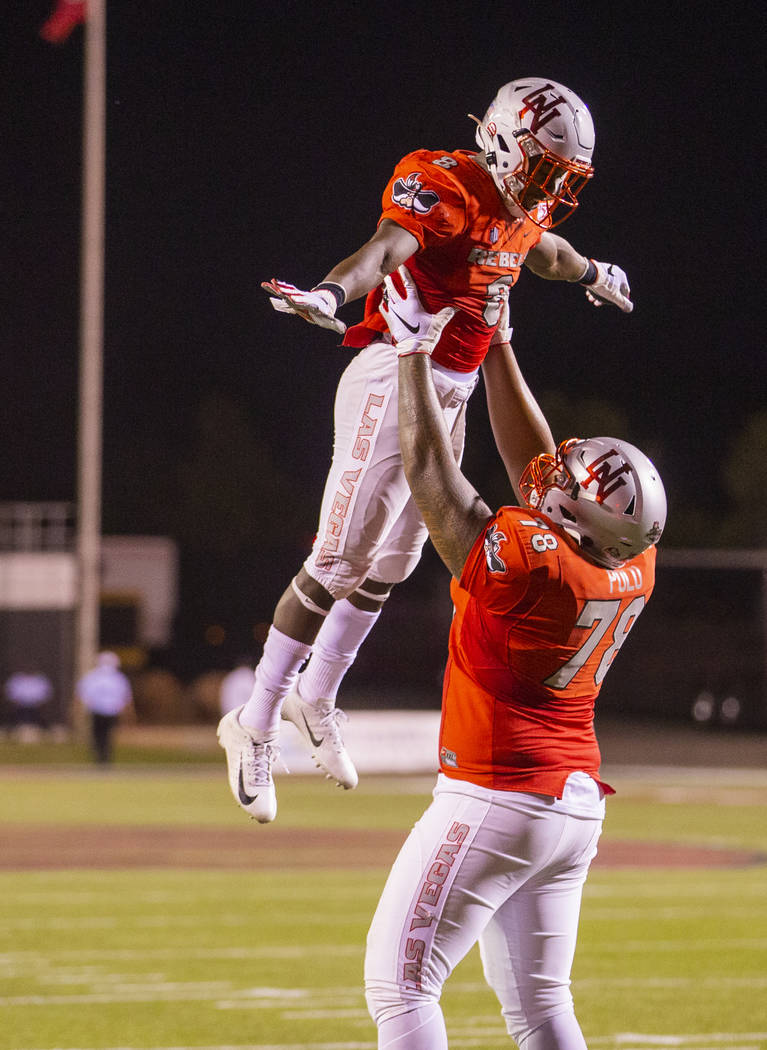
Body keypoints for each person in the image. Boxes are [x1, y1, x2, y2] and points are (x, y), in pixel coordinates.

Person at [218, 78, 636, 823]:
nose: (549, 189)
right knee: (337, 561)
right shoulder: (445, 184)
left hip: (453, 388)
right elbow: (384, 250)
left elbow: (543, 251)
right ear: (506, 143)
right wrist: (329, 293)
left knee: (393, 565)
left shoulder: (519, 203)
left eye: (560, 178)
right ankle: (253, 720)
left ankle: (318, 697)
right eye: (544, 170)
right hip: (392, 372)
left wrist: (593, 273)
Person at [360, 269, 666, 1049]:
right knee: (537, 1007)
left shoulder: (532, 561)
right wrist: (496, 341)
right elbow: (536, 468)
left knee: (399, 989)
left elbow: (436, 481)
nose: (554, 474)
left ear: (578, 514)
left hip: (499, 795)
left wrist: (409, 352)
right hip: (571, 803)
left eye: (570, 483)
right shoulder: (630, 562)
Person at [75, 651, 133, 764]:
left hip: (97, 711)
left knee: (98, 735)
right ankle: (105, 759)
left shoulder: (92, 677)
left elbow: (81, 695)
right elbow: (126, 698)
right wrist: (129, 715)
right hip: (111, 711)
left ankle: (100, 758)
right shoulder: (119, 678)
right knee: (107, 736)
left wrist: (77, 711)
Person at [3, 667, 53, 738]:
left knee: (35, 713)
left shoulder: (40, 679)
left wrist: (38, 702)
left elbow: (46, 694)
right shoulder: (16, 679)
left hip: (37, 707)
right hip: (20, 706)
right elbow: (10, 694)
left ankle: (41, 730)